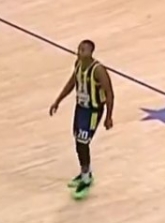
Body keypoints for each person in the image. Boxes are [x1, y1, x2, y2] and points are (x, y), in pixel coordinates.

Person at [49, 39, 115, 201]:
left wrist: (108, 116)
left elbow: (109, 93)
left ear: (91, 52)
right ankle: (86, 172)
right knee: (78, 141)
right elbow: (72, 83)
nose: (79, 52)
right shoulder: (78, 65)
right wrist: (58, 100)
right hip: (80, 108)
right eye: (79, 49)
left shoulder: (98, 70)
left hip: (93, 111)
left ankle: (86, 179)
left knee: (83, 142)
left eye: (83, 50)